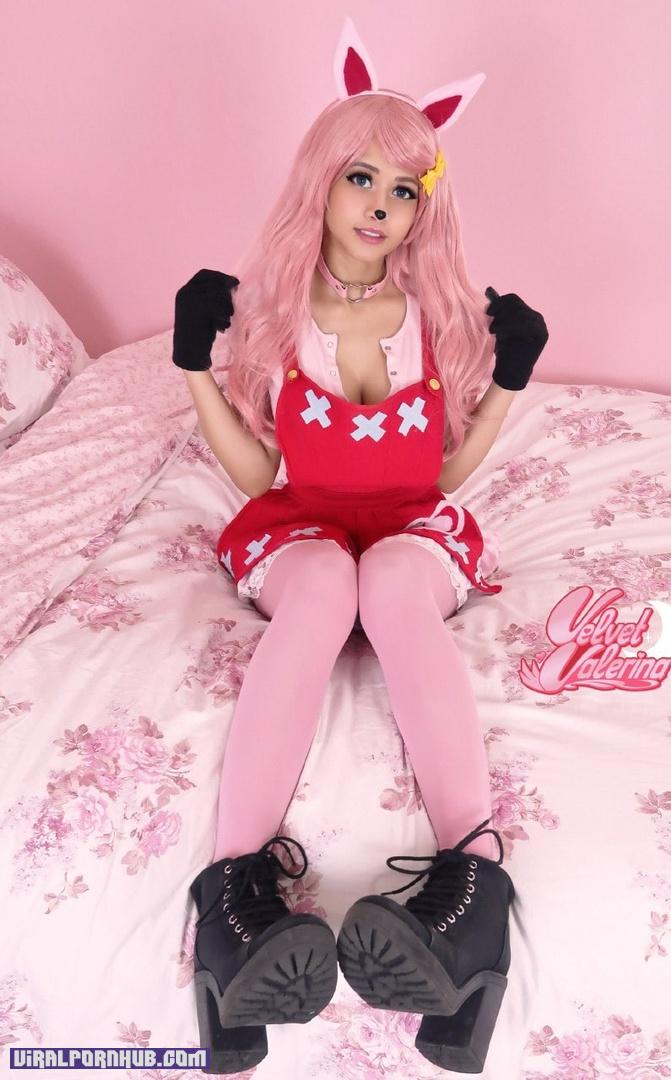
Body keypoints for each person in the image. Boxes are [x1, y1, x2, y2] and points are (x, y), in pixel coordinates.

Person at [172, 16, 548, 1075]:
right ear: (322, 181)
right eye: (362, 179)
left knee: (386, 578)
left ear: (426, 207)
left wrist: (508, 382)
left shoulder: (435, 313)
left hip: (408, 525)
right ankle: (235, 906)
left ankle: (468, 896)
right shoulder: (274, 314)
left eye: (405, 191)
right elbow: (261, 477)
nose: (381, 207)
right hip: (302, 521)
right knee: (326, 583)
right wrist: (194, 368)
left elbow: (442, 474)